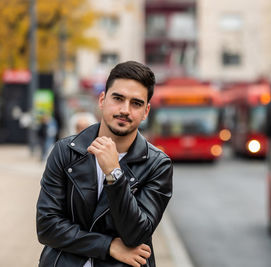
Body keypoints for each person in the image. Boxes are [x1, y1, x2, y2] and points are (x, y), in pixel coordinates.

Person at [36, 61, 173, 267]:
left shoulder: (157, 165)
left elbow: (136, 234)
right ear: (102, 100)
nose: (125, 110)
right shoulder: (66, 151)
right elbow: (47, 226)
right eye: (118, 98)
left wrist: (114, 173)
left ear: (146, 112)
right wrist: (108, 246)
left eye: (136, 103)